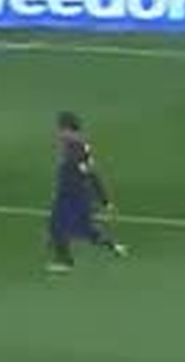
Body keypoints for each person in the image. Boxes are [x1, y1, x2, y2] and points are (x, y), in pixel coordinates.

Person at [48, 112, 127, 272]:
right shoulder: (77, 146)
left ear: (68, 129)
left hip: (73, 196)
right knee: (81, 228)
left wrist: (104, 200)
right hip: (71, 195)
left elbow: (90, 174)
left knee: (59, 227)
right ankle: (113, 246)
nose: (59, 133)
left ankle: (65, 263)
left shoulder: (76, 149)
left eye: (61, 129)